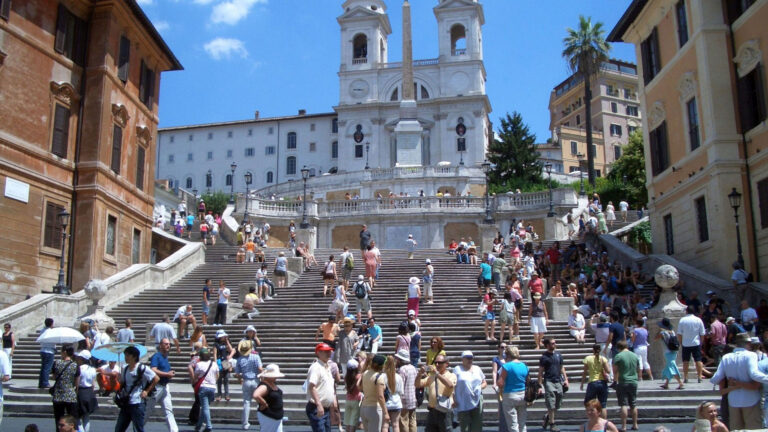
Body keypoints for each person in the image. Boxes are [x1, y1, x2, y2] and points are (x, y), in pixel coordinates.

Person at [710, 332, 768, 430]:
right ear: (748, 344)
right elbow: (754, 374)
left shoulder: (726, 357)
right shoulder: (751, 355)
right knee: (754, 429)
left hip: (733, 400)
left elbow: (715, 378)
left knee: (736, 429)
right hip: (751, 398)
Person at [115, 346, 158, 432]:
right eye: (125, 355)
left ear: (134, 356)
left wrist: (146, 391)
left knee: (138, 429)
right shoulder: (125, 369)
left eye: (127, 356)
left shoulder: (142, 368)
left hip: (137, 403)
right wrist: (119, 379)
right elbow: (123, 384)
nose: (125, 358)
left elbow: (156, 378)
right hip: (126, 402)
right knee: (119, 428)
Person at [417, 354, 456, 432]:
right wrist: (419, 374)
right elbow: (418, 384)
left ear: (446, 364)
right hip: (432, 410)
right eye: (436, 363)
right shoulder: (432, 376)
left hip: (444, 410)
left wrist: (437, 374)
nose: (437, 365)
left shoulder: (451, 375)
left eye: (440, 363)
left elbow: (450, 385)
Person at [145, 338, 178, 432]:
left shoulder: (165, 357)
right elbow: (153, 370)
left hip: (165, 386)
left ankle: (174, 430)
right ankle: (137, 428)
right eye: (166, 344)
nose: (168, 346)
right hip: (157, 387)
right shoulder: (157, 356)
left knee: (168, 410)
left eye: (169, 344)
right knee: (148, 410)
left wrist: (169, 374)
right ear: (160, 345)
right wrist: (167, 374)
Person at [538, 338, 568, 432]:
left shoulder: (558, 355)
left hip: (558, 380)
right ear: (547, 345)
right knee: (551, 403)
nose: (554, 344)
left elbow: (562, 367)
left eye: (555, 343)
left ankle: (547, 416)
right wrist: (540, 385)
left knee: (557, 403)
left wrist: (566, 379)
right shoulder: (544, 357)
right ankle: (552, 424)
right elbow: (540, 372)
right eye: (552, 343)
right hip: (549, 381)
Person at [306, 343, 337, 432]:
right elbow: (312, 387)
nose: (329, 353)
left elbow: (329, 386)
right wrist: (319, 405)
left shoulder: (327, 367)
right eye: (326, 351)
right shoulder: (316, 367)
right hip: (316, 407)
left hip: (325, 408)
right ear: (318, 353)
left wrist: (333, 400)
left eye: (329, 351)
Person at [453, 350, 487, 432]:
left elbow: (484, 382)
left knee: (477, 426)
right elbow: (453, 384)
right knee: (465, 427)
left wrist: (480, 387)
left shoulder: (477, 368)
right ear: (462, 359)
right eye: (467, 358)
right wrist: (453, 398)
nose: (469, 360)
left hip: (477, 400)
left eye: (471, 358)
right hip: (462, 401)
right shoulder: (457, 369)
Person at [234, 339, 263, 430]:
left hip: (246, 380)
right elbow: (260, 368)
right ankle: (262, 422)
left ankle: (245, 423)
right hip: (255, 380)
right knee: (259, 402)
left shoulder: (239, 359)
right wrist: (261, 378)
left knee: (247, 402)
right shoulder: (256, 357)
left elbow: (237, 373)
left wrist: (240, 380)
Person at [612, 340, 639, 431]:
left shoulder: (618, 356)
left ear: (618, 348)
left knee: (623, 404)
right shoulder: (634, 355)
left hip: (623, 381)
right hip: (633, 381)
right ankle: (635, 424)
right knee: (633, 404)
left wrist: (615, 381)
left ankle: (624, 426)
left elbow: (615, 371)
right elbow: (638, 368)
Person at [51, 345, 79, 430]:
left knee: (59, 420)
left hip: (58, 395)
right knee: (72, 420)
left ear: (65, 352)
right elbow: (77, 381)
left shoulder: (57, 363)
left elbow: (54, 377)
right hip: (70, 395)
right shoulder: (75, 365)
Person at [580, 344, 610, 419]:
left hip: (592, 382)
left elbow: (584, 372)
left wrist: (582, 383)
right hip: (602, 382)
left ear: (593, 350)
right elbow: (608, 371)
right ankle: (603, 423)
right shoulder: (603, 358)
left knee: (589, 403)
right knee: (603, 404)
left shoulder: (588, 358)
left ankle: (592, 419)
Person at [253, 364, 285, 432]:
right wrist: (264, 403)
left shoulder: (272, 383)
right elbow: (256, 395)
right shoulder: (264, 386)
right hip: (269, 416)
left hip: (276, 416)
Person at [193, 348, 219, 432]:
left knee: (205, 407)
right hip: (212, 387)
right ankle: (198, 425)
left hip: (203, 386)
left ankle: (209, 425)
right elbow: (217, 375)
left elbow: (196, 376)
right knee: (205, 407)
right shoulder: (214, 364)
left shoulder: (199, 364)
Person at [678, 305, 706, 383]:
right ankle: (700, 376)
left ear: (686, 311)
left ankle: (686, 377)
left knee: (685, 361)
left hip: (685, 343)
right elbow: (702, 333)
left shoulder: (682, 320)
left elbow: (679, 333)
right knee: (698, 360)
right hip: (696, 343)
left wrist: (681, 342)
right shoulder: (698, 320)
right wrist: (701, 343)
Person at [73, 351, 98, 432]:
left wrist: (75, 392)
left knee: (76, 416)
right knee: (86, 416)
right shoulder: (93, 369)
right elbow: (93, 384)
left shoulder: (79, 368)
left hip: (81, 391)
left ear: (82, 359)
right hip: (90, 392)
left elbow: (77, 382)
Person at [656, 318, 684, 390]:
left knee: (672, 366)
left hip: (668, 351)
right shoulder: (672, 331)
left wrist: (659, 330)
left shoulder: (663, 333)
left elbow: (655, 338)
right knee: (669, 367)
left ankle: (680, 383)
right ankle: (666, 384)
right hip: (674, 351)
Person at [395, 349, 418, 432]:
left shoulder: (402, 370)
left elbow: (400, 385)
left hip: (404, 399)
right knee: (412, 420)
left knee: (403, 421)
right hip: (413, 397)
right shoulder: (414, 368)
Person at [213, 329, 235, 402]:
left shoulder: (225, 343)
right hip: (219, 361)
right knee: (219, 379)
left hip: (225, 361)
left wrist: (227, 341)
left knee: (226, 379)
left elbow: (231, 350)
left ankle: (227, 394)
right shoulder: (216, 344)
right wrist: (215, 362)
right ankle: (219, 394)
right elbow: (215, 353)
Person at [382, 355, 403, 432]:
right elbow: (401, 392)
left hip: (386, 402)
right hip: (396, 402)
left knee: (385, 424)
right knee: (396, 425)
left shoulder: (383, 377)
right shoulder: (399, 377)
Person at [343, 359, 362, 432]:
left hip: (348, 399)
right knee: (353, 421)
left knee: (347, 420)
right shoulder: (359, 376)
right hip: (356, 399)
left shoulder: (346, 377)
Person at [39, 318, 56, 388]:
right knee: (47, 368)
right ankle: (45, 382)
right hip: (49, 351)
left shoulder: (42, 330)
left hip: (43, 350)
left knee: (43, 367)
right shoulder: (51, 331)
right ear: (51, 324)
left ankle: (41, 382)